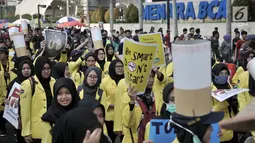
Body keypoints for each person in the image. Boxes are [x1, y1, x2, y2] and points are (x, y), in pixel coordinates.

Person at [20, 56, 55, 143]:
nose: (46, 71)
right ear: (38, 68)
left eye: (48, 68)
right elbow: (25, 110)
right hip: (36, 131)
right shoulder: (28, 84)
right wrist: (26, 132)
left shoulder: (53, 81)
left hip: (52, 128)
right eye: (43, 69)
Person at [41, 78, 79, 143]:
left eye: (68, 92)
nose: (64, 97)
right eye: (59, 93)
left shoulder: (80, 114)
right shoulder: (50, 119)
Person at [122, 71, 157, 143]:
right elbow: (127, 123)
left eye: (152, 76)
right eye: (147, 77)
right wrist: (132, 102)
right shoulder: (129, 96)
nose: (151, 80)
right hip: (134, 140)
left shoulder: (156, 96)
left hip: (151, 140)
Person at [5, 59, 34, 143]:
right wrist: (7, 101)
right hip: (18, 118)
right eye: (24, 68)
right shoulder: (14, 83)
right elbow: (9, 98)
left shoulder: (36, 82)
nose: (26, 70)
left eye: (28, 68)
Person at [212, 63, 238, 142]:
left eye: (226, 73)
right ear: (215, 75)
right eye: (221, 74)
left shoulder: (228, 86)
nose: (224, 76)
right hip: (219, 130)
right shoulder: (210, 90)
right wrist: (222, 101)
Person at [100, 59, 124, 142]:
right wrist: (110, 105)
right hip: (110, 117)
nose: (120, 68)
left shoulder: (126, 81)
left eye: (121, 66)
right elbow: (100, 97)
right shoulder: (105, 81)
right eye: (117, 66)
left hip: (123, 117)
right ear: (113, 67)